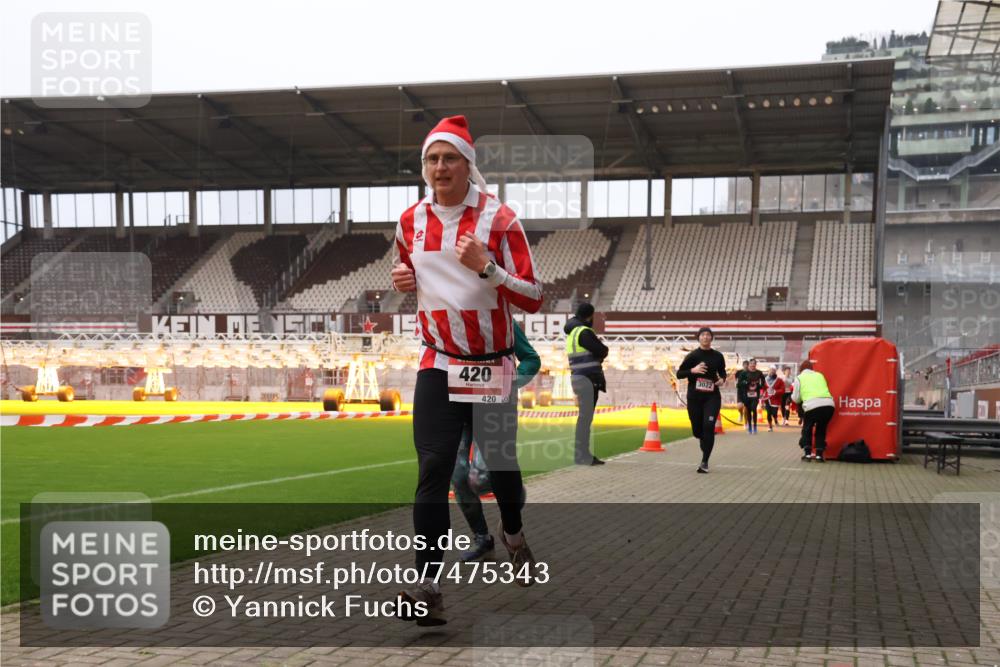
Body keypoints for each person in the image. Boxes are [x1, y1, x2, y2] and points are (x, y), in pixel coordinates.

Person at [389, 115, 544, 625]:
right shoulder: (409, 221)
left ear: (467, 165)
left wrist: (487, 267)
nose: (440, 167)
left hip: (489, 365)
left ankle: (514, 533)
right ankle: (427, 586)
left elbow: (535, 296)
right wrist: (403, 281)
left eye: (449, 157)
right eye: (432, 159)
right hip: (437, 361)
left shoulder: (500, 220)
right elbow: (410, 277)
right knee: (433, 469)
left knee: (500, 469)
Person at [452, 321, 540, 562]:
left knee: (480, 480)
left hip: (491, 406)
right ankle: (482, 539)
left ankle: (513, 497)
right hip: (457, 405)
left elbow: (531, 358)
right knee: (458, 475)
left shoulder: (502, 319)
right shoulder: (447, 319)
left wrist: (511, 383)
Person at [676, 327, 727, 473]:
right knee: (698, 431)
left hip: (712, 397)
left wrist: (722, 379)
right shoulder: (693, 356)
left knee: (708, 427)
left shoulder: (718, 356)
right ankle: (702, 439)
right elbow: (679, 373)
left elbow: (722, 371)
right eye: (702, 335)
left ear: (712, 338)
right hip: (694, 398)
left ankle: (704, 462)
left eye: (708, 335)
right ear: (698, 338)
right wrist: (693, 370)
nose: (705, 337)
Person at [564, 302, 609, 466]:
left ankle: (581, 454)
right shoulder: (584, 332)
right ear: (589, 316)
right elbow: (602, 350)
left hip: (578, 378)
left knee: (583, 418)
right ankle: (583, 455)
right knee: (585, 419)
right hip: (588, 378)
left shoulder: (572, 334)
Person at [791, 359, 835, 462]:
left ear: (801, 369)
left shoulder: (799, 378)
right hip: (828, 405)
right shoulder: (820, 375)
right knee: (821, 429)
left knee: (807, 429)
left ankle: (808, 455)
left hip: (812, 406)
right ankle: (819, 455)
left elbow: (796, 398)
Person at [743, 359, 764, 435]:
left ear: (755, 365)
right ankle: (749, 427)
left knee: (754, 408)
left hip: (755, 394)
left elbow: (763, 380)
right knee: (748, 410)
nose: (752, 365)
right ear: (749, 365)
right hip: (747, 394)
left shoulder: (759, 373)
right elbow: (742, 382)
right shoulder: (745, 373)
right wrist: (746, 383)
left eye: (754, 364)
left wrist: (761, 387)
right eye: (751, 364)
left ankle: (755, 426)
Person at [762, 367, 785, 432]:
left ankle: (775, 418)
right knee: (768, 413)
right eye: (770, 371)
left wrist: (775, 391)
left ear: (775, 372)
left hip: (776, 399)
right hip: (767, 398)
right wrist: (762, 394)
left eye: (773, 371)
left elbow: (783, 390)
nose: (772, 372)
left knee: (774, 413)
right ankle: (770, 426)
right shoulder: (764, 380)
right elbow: (762, 388)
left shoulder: (779, 380)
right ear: (768, 371)